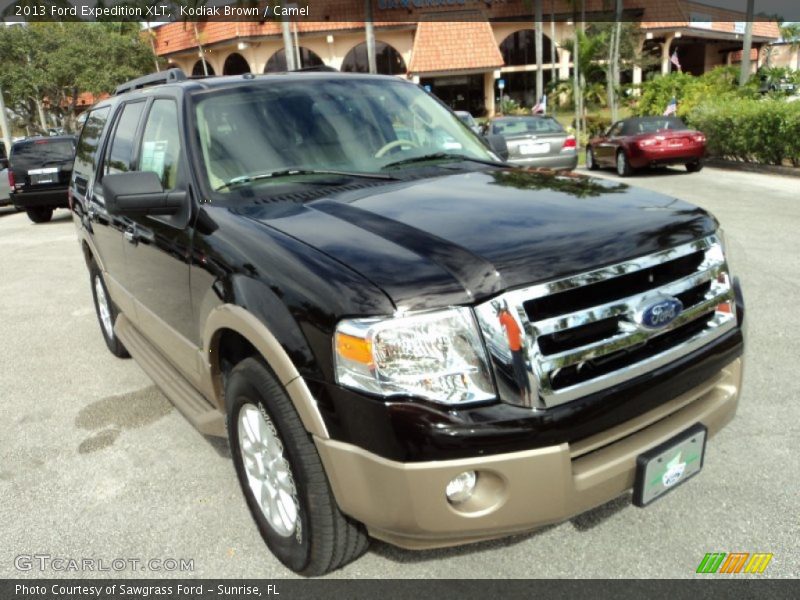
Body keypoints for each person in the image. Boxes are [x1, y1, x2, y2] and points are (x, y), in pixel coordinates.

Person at [494, 301, 532, 405]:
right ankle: (527, 397)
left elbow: (500, 320)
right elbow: (516, 331)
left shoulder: (506, 318)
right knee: (523, 373)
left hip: (515, 350)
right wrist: (504, 311)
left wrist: (502, 311)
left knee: (520, 374)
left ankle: (525, 399)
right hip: (518, 349)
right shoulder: (510, 318)